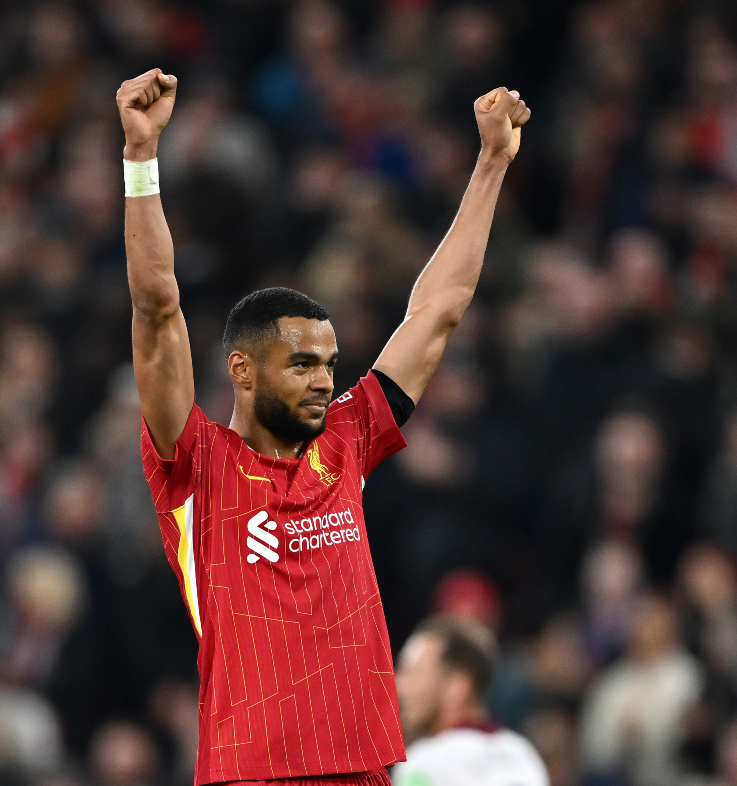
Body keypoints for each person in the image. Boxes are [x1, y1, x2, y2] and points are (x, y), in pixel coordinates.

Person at [117, 69, 530, 785]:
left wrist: (491, 163)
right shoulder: (195, 466)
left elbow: (438, 309)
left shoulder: (349, 437)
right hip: (253, 771)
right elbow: (157, 309)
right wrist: (140, 161)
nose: (324, 380)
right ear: (242, 371)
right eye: (301, 364)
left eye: (330, 363)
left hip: (365, 766)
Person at [392, 616, 549, 786]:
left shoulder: (424, 765)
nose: (400, 686)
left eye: (414, 673)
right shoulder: (523, 755)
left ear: (457, 687)